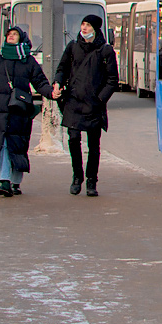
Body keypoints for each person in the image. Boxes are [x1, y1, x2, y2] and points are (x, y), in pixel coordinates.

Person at [0, 26, 54, 197]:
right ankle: (4, 181)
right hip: (0, 110)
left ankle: (16, 181)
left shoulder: (28, 61)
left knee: (18, 145)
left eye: (14, 34)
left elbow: (40, 82)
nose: (10, 37)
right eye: (8, 34)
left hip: (20, 111)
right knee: (2, 144)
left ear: (21, 38)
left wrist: (51, 93)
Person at [51, 14, 118, 197]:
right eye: (82, 24)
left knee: (93, 145)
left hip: (93, 105)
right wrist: (57, 83)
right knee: (73, 140)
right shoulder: (73, 47)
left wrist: (100, 99)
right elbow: (62, 69)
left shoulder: (105, 50)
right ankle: (77, 176)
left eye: (88, 25)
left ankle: (91, 180)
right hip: (73, 101)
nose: (84, 28)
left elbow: (113, 80)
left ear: (96, 29)